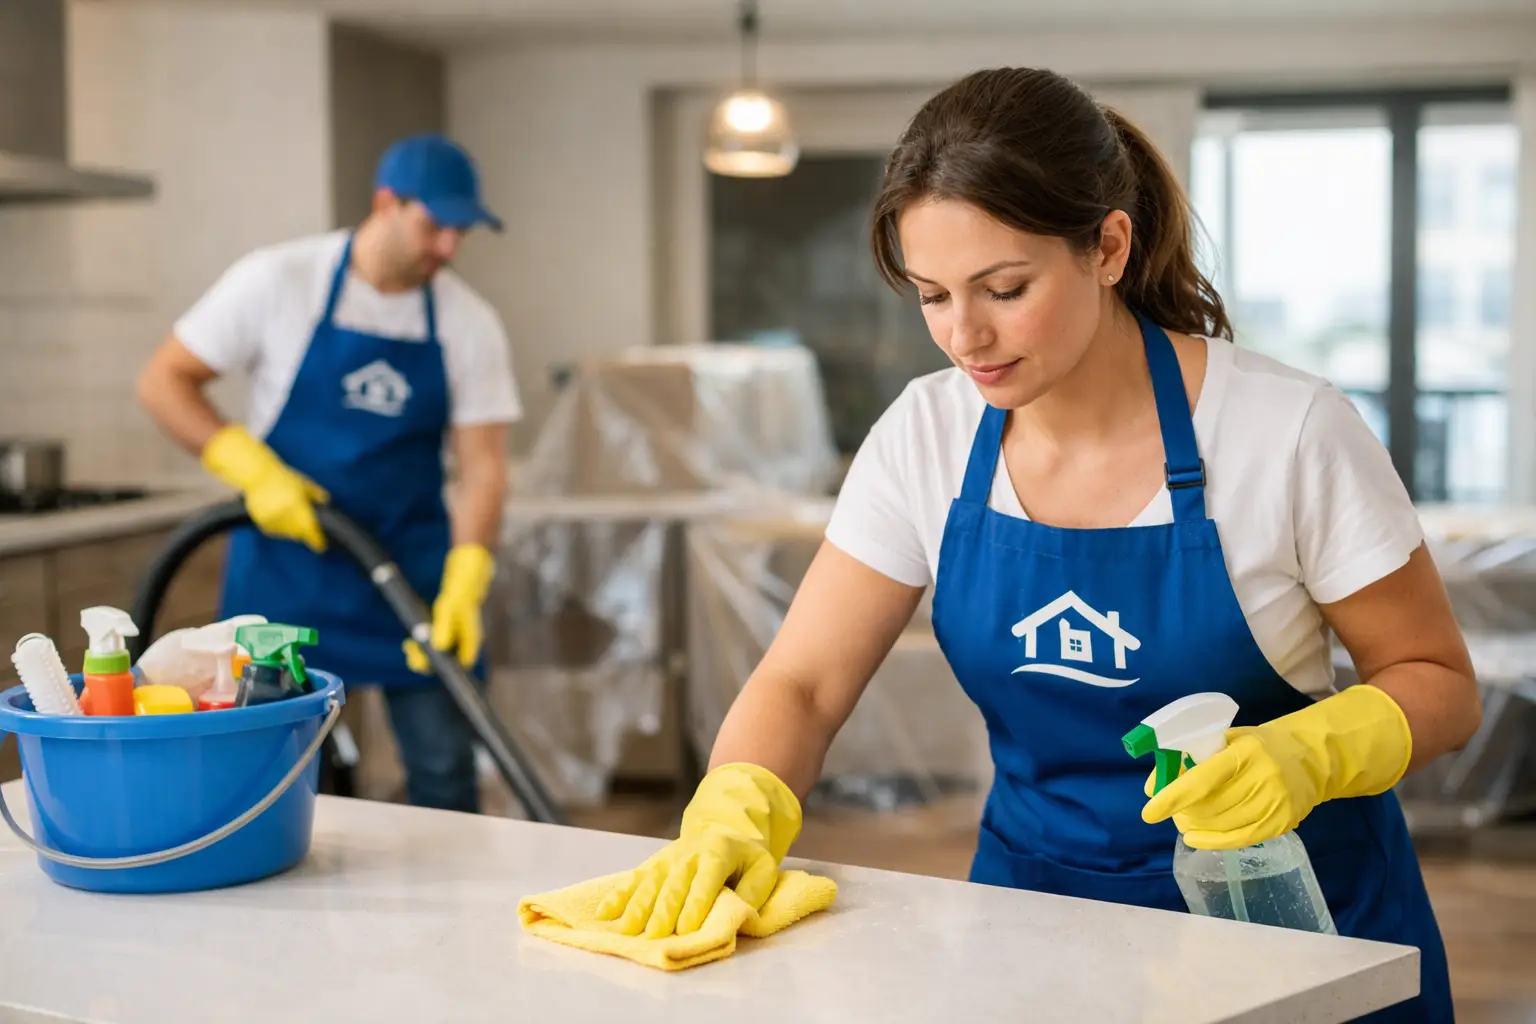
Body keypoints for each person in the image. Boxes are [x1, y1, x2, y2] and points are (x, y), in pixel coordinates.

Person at [581, 69, 1479, 1021]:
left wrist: (1312, 753)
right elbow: (801, 683)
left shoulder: (1286, 431)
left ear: (1108, 246)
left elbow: (1438, 682)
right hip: (1036, 926)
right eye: (932, 296)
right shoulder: (924, 437)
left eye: (1003, 289)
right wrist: (736, 807)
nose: (965, 336)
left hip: (1292, 928)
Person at [136, 133, 520, 815]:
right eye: (435, 226)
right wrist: (250, 468)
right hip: (288, 576)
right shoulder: (280, 280)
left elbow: (483, 465)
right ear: (386, 203)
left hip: (411, 578)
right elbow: (165, 380)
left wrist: (469, 573)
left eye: (461, 232)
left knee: (444, 771)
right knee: (267, 773)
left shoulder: (468, 322)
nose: (449, 249)